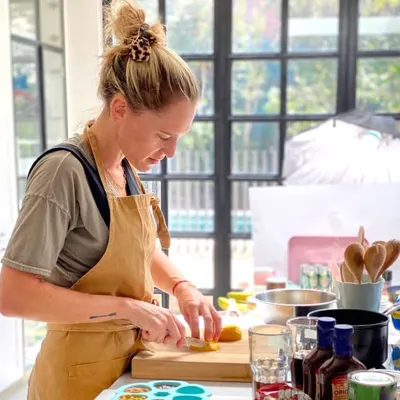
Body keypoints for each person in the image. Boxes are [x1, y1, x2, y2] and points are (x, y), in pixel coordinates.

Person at [0, 1, 222, 399]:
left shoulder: (124, 167)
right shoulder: (62, 172)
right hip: (74, 380)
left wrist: (182, 286)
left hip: (127, 372)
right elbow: (13, 296)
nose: (171, 152)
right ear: (119, 108)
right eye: (163, 136)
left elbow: (138, 252)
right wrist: (129, 309)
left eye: (178, 138)